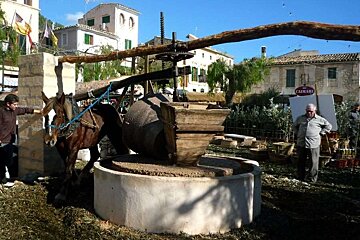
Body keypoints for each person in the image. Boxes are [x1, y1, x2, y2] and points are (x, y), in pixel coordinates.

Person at [0, 94, 42, 186]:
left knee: (12, 160)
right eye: (14, 104)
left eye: (16, 104)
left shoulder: (14, 110)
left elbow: (26, 110)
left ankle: (12, 178)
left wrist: (39, 112)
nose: (16, 106)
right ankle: (2, 179)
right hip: (2, 141)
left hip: (12, 139)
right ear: (8, 104)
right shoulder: (1, 112)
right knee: (3, 161)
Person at [293, 103, 332, 183]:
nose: (309, 113)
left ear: (315, 111)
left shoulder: (320, 119)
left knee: (313, 162)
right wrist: (297, 133)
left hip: (313, 144)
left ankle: (312, 178)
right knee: (300, 160)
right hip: (301, 143)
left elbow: (329, 126)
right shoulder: (300, 118)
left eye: (311, 111)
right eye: (307, 111)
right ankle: (300, 176)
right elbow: (294, 126)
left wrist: (321, 133)